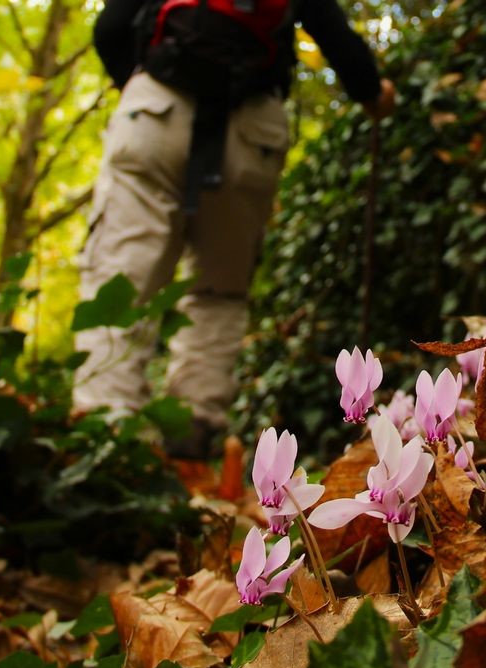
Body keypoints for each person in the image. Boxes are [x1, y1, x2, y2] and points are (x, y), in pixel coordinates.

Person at [76, 0, 395, 459]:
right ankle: (194, 444)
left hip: (154, 111)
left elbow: (109, 29)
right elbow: (336, 37)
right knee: (218, 292)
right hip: (250, 130)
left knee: (121, 281)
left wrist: (150, 80)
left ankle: (104, 443)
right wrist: (375, 94)